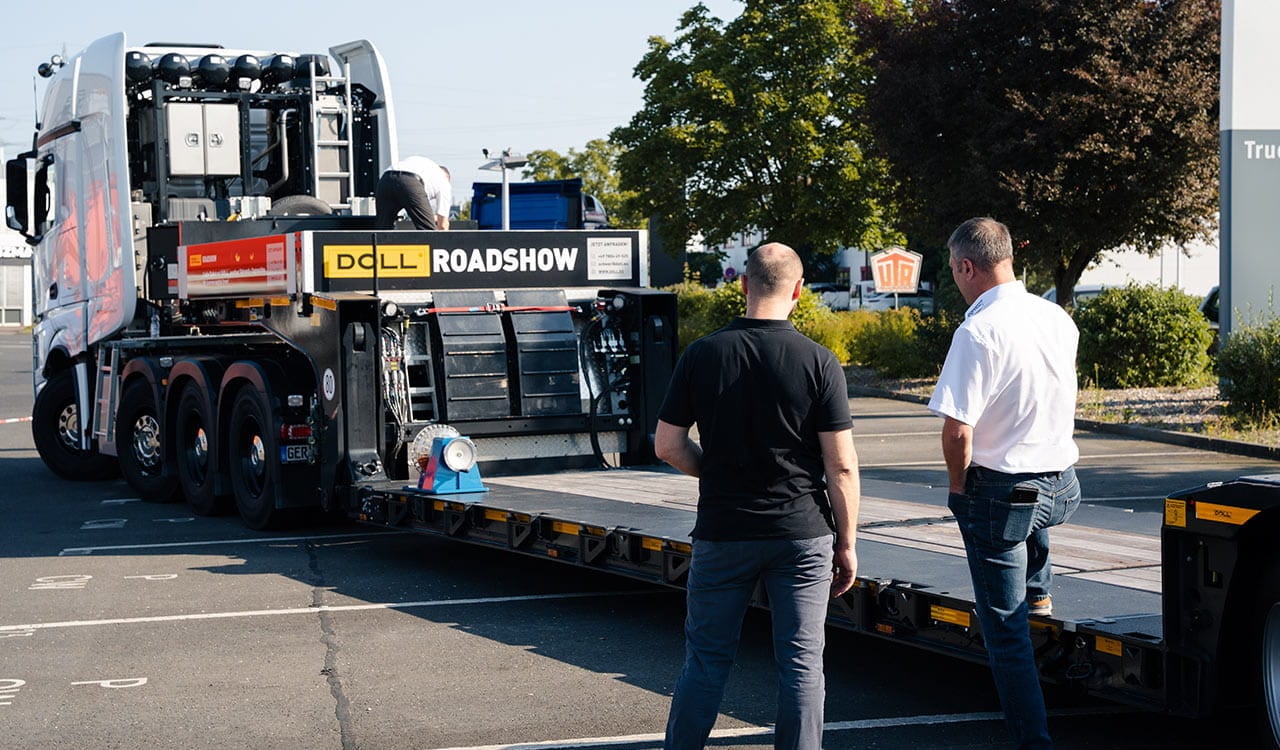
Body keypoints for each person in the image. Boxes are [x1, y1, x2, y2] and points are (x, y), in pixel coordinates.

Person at [654, 242, 860, 750]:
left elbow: (667, 445)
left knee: (706, 659)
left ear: (742, 285)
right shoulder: (819, 361)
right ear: (798, 290)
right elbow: (841, 465)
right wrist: (848, 542)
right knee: (801, 663)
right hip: (801, 533)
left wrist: (714, 476)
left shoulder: (702, 354)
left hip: (724, 531)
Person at [928, 217, 1082, 749]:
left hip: (1006, 497)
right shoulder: (1057, 316)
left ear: (968, 266)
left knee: (1005, 633)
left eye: (953, 270)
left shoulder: (978, 331)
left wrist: (957, 490)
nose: (955, 279)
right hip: (1063, 486)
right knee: (1032, 508)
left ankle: (1032, 742)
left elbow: (956, 433)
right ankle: (1039, 590)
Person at [375, 155, 451, 230]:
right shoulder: (444, 181)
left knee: (383, 229)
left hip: (385, 179)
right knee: (428, 232)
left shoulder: (426, 167)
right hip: (410, 180)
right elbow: (443, 225)